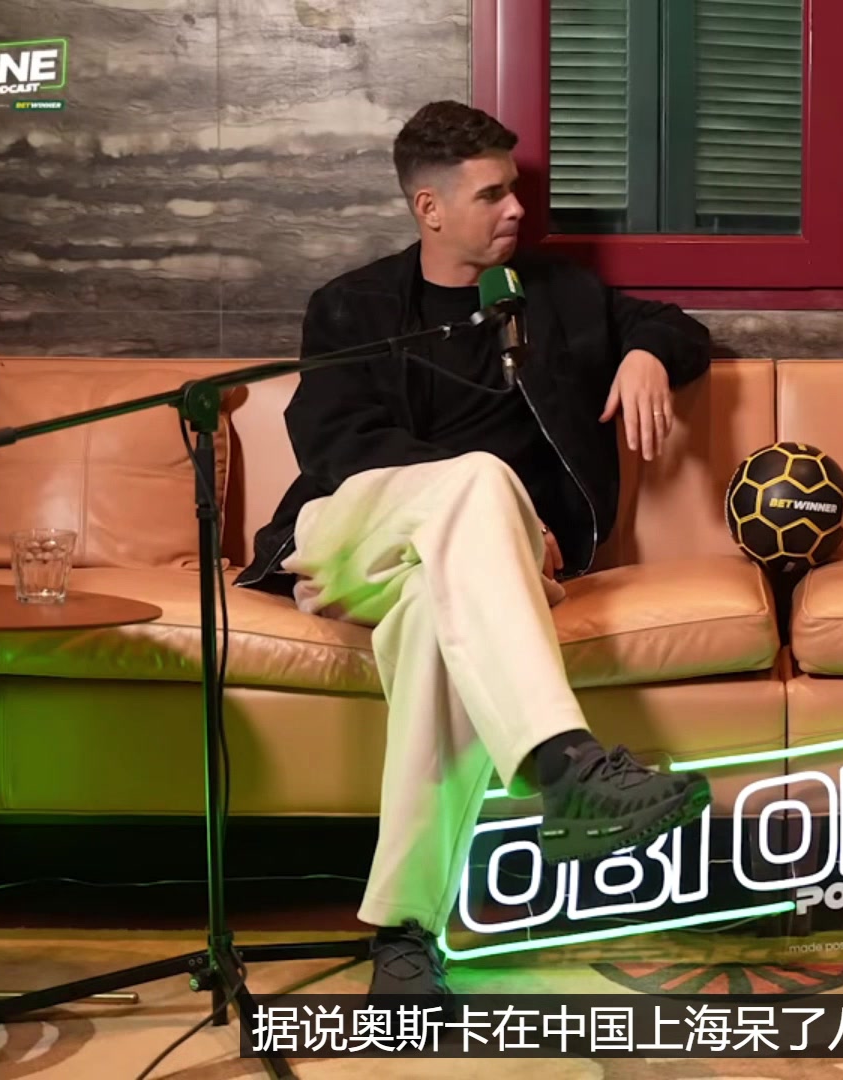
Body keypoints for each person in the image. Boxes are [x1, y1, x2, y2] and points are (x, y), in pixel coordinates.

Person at [236, 101, 714, 1002]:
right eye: (493, 195)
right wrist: (488, 503)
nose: (516, 210)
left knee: (432, 623)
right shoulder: (352, 305)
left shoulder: (558, 296)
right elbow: (335, 445)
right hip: (353, 537)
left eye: (515, 190)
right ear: (429, 209)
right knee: (482, 479)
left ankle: (405, 934)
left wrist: (646, 355)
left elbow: (678, 327)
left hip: (469, 571)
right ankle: (563, 760)